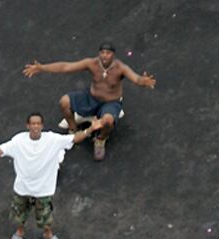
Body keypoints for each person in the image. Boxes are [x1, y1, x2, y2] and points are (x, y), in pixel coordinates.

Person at [0, 113, 102, 239]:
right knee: (19, 215)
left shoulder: (53, 139)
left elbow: (75, 138)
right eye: (33, 123)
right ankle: (20, 232)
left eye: (38, 123)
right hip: (22, 188)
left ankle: (48, 234)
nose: (35, 126)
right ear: (28, 126)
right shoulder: (18, 141)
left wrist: (90, 129)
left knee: (46, 217)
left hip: (43, 190)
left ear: (42, 126)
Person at [23, 41, 157, 161]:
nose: (104, 56)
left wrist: (143, 81)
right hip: (91, 98)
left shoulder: (121, 68)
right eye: (102, 52)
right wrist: (42, 68)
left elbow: (136, 78)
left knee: (108, 121)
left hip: (110, 103)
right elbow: (66, 67)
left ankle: (100, 139)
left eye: (108, 53)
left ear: (113, 55)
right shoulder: (91, 63)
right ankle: (73, 129)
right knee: (64, 102)